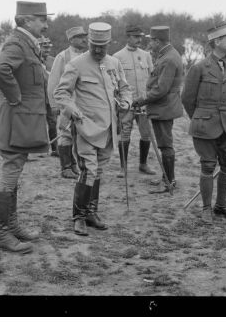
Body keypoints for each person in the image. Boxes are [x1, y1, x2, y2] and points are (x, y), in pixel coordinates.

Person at [54, 22, 132, 236]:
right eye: (94, 45)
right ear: (88, 42)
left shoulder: (114, 63)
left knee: (98, 170)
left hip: (108, 130)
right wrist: (73, 110)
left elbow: (125, 88)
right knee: (88, 169)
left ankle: (91, 212)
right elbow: (61, 93)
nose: (98, 50)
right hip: (86, 128)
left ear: (108, 44)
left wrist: (126, 102)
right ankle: (78, 216)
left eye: (102, 46)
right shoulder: (76, 64)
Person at [0, 1, 53, 254]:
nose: (45, 24)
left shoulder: (26, 43)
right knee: (10, 174)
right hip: (16, 119)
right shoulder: (17, 43)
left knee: (14, 173)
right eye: (41, 20)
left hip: (22, 120)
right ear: (26, 21)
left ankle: (12, 227)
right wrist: (15, 96)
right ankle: (3, 234)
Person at [181, 23, 226, 224]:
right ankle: (206, 208)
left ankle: (221, 206)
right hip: (205, 126)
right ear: (217, 42)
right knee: (208, 166)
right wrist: (200, 117)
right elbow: (188, 99)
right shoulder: (199, 68)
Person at [131, 26, 184, 193]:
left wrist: (141, 100)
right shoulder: (167, 55)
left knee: (165, 145)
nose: (149, 44)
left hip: (164, 108)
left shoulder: (168, 59)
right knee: (164, 144)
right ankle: (166, 178)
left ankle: (169, 181)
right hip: (163, 106)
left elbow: (161, 89)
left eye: (151, 41)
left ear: (157, 41)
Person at [113, 24, 156, 176]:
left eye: (140, 37)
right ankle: (123, 168)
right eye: (136, 37)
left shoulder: (146, 55)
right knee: (125, 134)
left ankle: (143, 165)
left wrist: (149, 97)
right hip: (127, 104)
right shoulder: (117, 57)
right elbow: (114, 82)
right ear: (128, 37)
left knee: (146, 134)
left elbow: (152, 78)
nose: (139, 40)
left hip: (144, 103)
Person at [47, 26, 89, 178]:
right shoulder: (62, 56)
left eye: (85, 36)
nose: (84, 39)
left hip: (83, 103)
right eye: (80, 37)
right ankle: (65, 168)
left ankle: (73, 165)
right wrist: (54, 105)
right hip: (66, 102)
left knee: (78, 134)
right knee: (65, 134)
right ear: (71, 40)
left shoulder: (87, 56)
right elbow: (53, 81)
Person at [38, 37, 59, 157]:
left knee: (53, 123)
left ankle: (55, 149)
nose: (46, 50)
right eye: (44, 47)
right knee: (38, 124)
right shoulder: (34, 61)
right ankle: (39, 149)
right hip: (38, 97)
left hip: (51, 97)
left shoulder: (54, 61)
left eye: (48, 47)